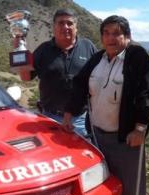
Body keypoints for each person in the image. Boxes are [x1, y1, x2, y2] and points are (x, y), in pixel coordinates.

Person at [62, 15, 149, 195]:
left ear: (127, 36)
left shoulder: (137, 57)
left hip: (126, 137)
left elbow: (145, 94)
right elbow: (81, 87)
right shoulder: (97, 59)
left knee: (133, 187)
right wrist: (70, 113)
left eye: (117, 33)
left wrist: (140, 128)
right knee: (105, 185)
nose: (111, 38)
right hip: (98, 136)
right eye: (107, 33)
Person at [17, 8, 97, 136]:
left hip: (80, 118)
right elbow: (26, 77)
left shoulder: (88, 47)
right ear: (54, 27)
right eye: (61, 23)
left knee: (80, 153)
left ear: (76, 27)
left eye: (70, 23)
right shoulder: (43, 50)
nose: (65, 27)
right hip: (50, 116)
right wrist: (20, 51)